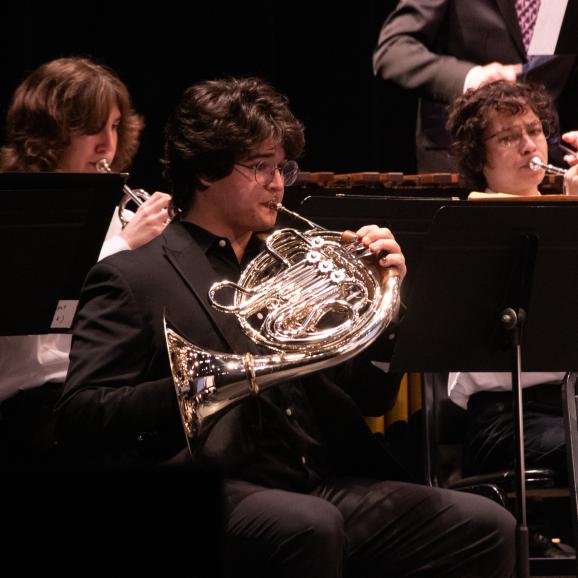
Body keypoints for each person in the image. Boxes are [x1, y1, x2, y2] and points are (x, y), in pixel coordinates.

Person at [56, 76, 515, 577]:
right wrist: (197, 386)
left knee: (487, 524)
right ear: (207, 171)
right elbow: (81, 413)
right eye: (260, 167)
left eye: (281, 168)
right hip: (215, 484)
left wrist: (386, 311)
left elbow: (371, 398)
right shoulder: (132, 276)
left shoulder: (293, 265)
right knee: (310, 525)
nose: (278, 184)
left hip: (318, 480)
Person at [0, 57, 171, 470]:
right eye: (91, 128)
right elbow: (43, 307)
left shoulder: (112, 210)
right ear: (51, 130)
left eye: (113, 126)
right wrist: (124, 246)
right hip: (33, 398)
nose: (106, 144)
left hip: (106, 389)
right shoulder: (18, 205)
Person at [446, 79, 574, 556]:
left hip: (570, 407)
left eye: (535, 131)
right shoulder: (469, 229)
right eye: (507, 137)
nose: (528, 146)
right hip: (506, 419)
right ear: (479, 159)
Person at [372, 0, 578, 172]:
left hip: (548, 163)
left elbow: (546, 69)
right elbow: (394, 49)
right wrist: (474, 78)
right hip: (467, 161)